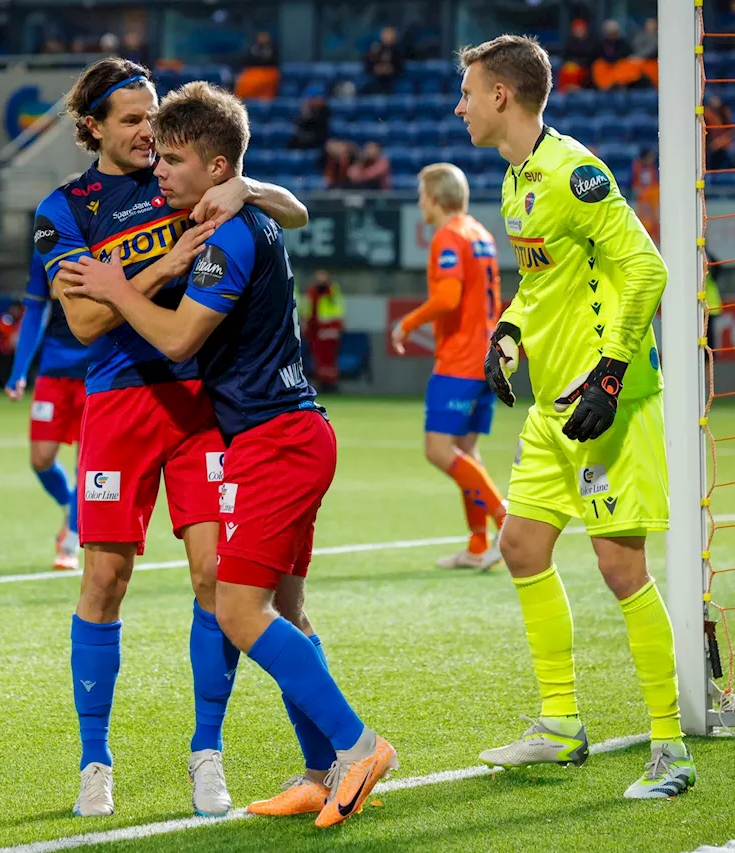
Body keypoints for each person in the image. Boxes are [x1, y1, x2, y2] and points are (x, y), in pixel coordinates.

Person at [60, 79, 397, 829]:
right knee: (285, 607)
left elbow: (179, 337)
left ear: (214, 168)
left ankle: (357, 743)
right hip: (281, 430)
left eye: (171, 153)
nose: (158, 164)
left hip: (271, 439)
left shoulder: (224, 232)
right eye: (145, 136)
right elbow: (83, 319)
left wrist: (119, 283)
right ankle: (318, 770)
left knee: (239, 609)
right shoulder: (190, 210)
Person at [33, 57, 309, 819]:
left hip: (200, 406)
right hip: (119, 407)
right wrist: (167, 263)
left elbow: (293, 210)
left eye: (152, 114)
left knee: (215, 578)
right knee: (104, 579)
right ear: (91, 127)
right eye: (130, 118)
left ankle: (207, 751)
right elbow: (85, 320)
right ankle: (95, 760)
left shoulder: (185, 174)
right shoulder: (65, 209)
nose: (148, 130)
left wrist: (247, 187)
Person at [455, 35, 696, 798]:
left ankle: (670, 749)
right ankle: (560, 724)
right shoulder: (514, 178)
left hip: (605, 407)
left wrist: (614, 371)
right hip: (551, 405)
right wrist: (509, 330)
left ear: (502, 96)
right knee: (522, 545)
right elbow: (540, 281)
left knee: (621, 568)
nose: (459, 106)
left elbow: (646, 267)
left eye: (468, 92)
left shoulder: (573, 172)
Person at [391, 162, 506, 569]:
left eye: (422, 194)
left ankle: (503, 520)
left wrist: (406, 323)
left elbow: (447, 299)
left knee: (439, 451)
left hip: (460, 360)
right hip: (488, 357)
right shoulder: (480, 233)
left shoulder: (448, 236)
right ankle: (479, 545)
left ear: (435, 199)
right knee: (465, 452)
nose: (420, 202)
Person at [6, 220, 91, 571]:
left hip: (96, 370)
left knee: (86, 464)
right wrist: (19, 370)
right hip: (54, 370)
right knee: (40, 459)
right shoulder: (48, 250)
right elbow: (35, 309)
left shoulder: (112, 246)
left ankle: (70, 542)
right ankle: (72, 507)